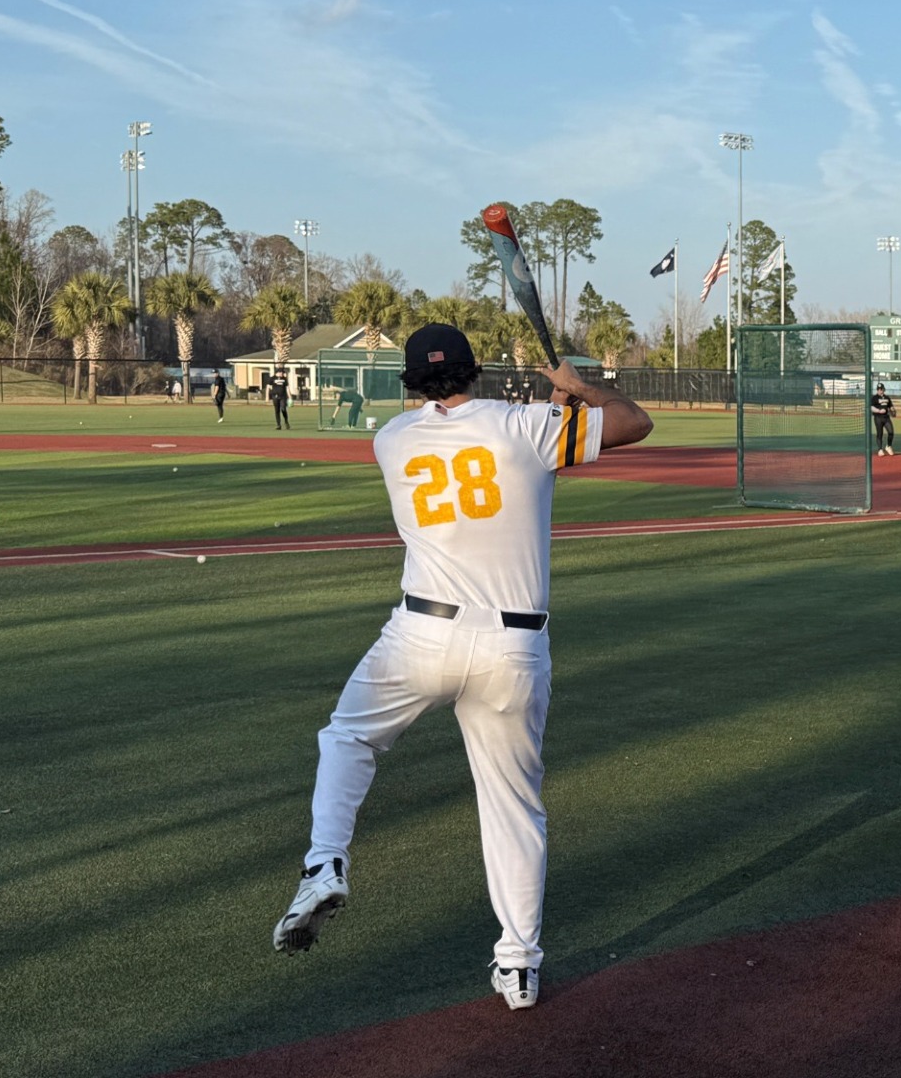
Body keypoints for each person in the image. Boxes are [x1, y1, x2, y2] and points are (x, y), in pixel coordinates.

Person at [271, 324, 654, 1012]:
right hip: (514, 646)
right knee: (512, 807)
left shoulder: (391, 439)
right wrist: (578, 390)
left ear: (412, 382)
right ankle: (518, 967)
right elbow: (633, 422)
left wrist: (558, 407)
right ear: (475, 371)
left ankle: (326, 861)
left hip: (421, 632)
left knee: (348, 738)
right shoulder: (525, 427)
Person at [871, 383, 896, 456]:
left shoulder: (887, 398)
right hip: (878, 418)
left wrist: (893, 410)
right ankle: (880, 449)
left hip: (886, 418)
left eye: (881, 389)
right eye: (878, 389)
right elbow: (871, 407)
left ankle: (888, 446)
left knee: (891, 432)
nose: (880, 390)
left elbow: (890, 406)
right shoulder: (874, 398)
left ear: (883, 389)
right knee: (880, 433)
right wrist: (879, 411)